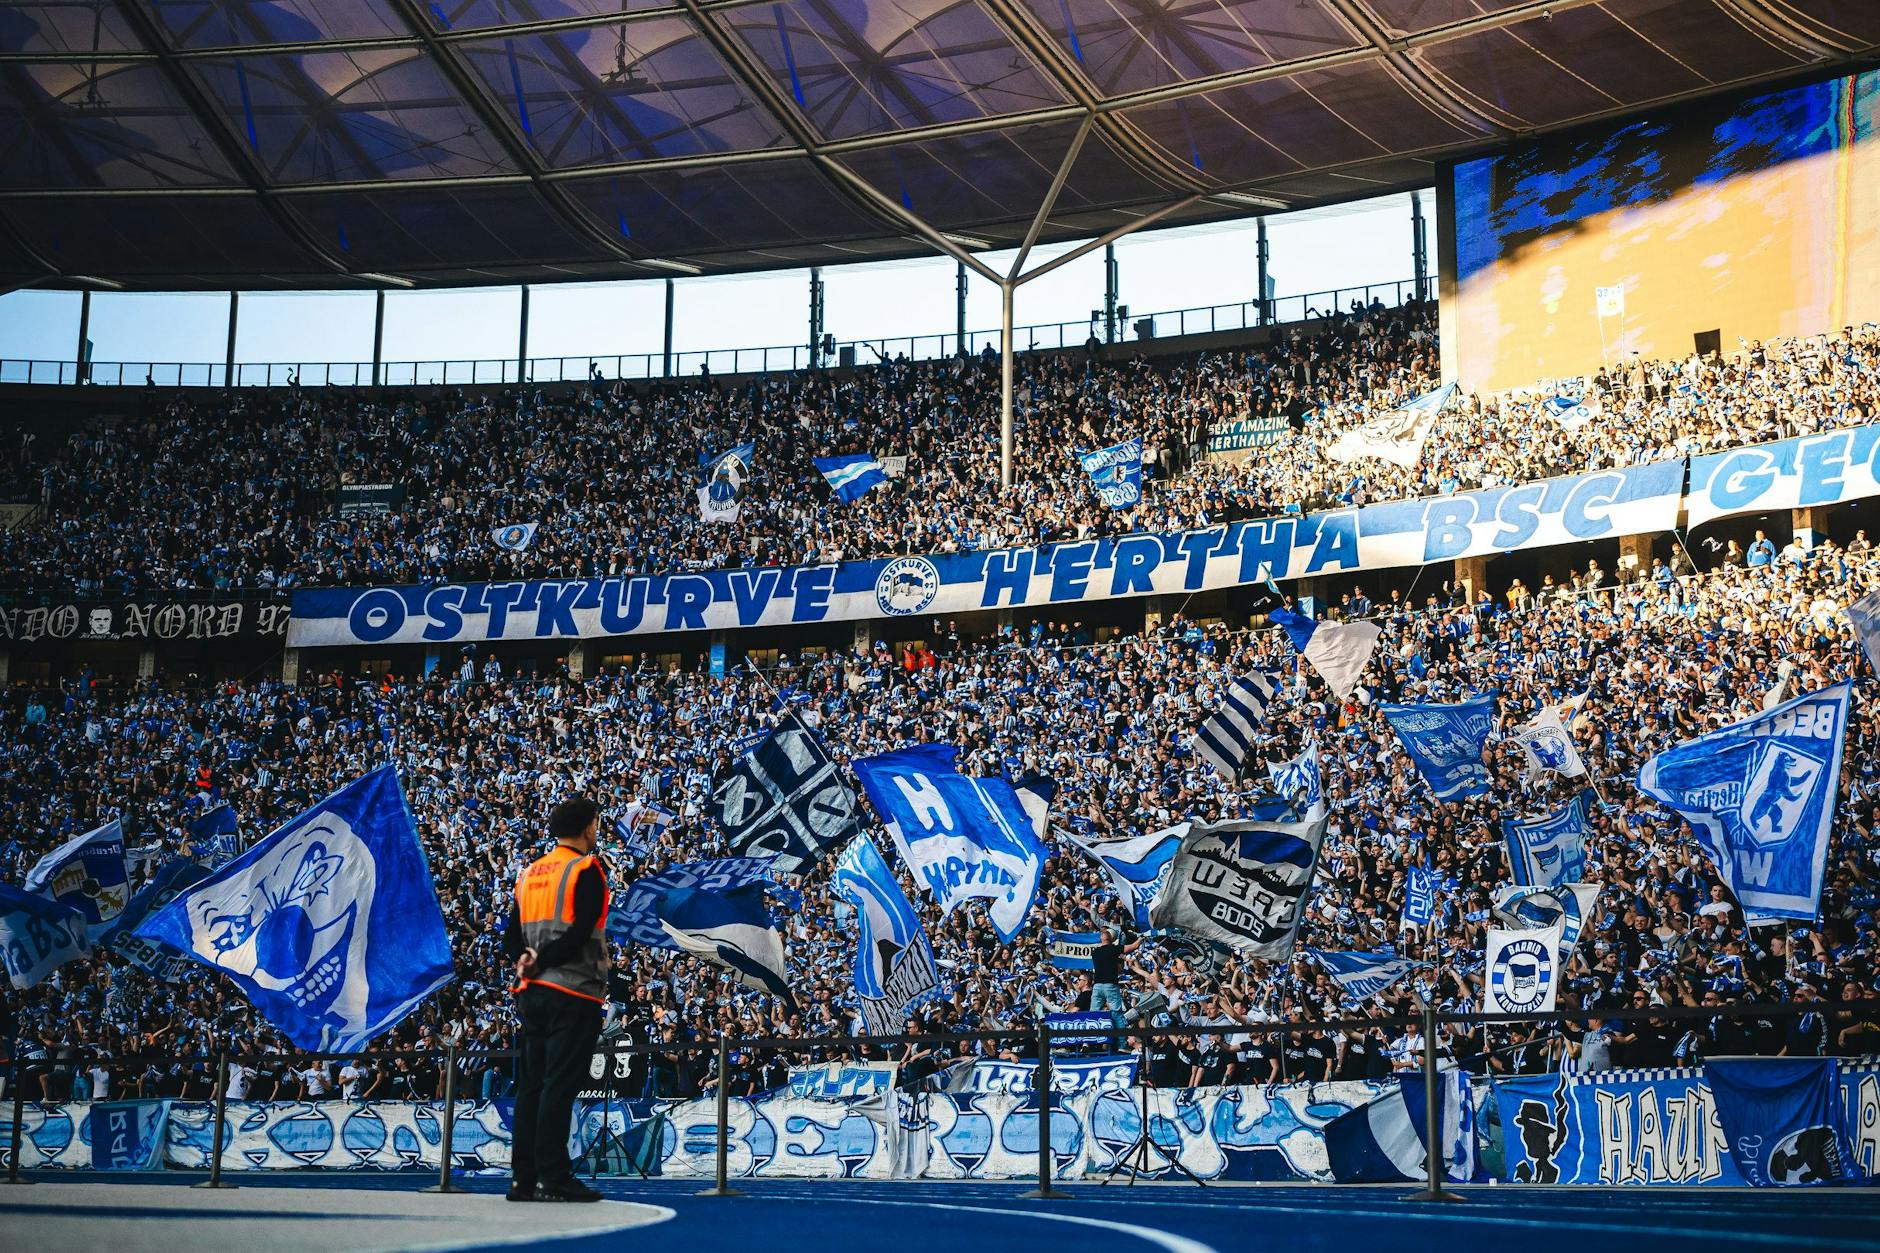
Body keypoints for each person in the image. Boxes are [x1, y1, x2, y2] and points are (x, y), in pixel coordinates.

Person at [505, 795, 610, 1203]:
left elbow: (512, 936)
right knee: (558, 1086)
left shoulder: (529, 874)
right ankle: (554, 1176)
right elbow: (582, 931)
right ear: (587, 827)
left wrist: (527, 960)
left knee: (530, 1085)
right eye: (596, 825)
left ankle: (523, 1179)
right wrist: (544, 960)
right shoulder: (586, 868)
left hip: (531, 993)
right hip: (574, 989)